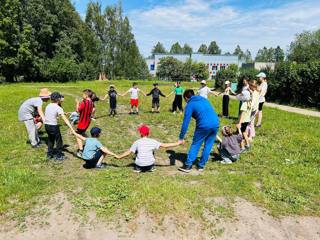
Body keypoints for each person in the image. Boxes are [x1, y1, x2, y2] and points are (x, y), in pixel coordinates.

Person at [178, 89, 220, 173]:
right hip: (215, 123)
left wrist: (181, 137)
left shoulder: (190, 104)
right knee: (208, 145)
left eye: (185, 100)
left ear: (186, 98)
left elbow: (185, 122)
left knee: (196, 144)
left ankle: (188, 165)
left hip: (204, 125)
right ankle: (201, 166)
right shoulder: (203, 99)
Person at [117, 124, 183, 173]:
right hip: (150, 164)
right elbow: (165, 145)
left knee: (137, 150)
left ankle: (138, 169)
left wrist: (119, 156)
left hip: (140, 164)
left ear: (140, 133)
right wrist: (178, 143)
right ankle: (150, 168)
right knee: (152, 150)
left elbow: (129, 152)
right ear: (148, 133)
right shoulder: (152, 141)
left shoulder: (137, 142)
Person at [44, 92, 74, 161]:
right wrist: (70, 126)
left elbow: (51, 114)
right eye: (60, 98)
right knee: (59, 141)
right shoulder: (58, 107)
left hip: (46, 125)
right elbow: (65, 119)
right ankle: (59, 156)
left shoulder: (48, 105)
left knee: (50, 139)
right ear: (58, 99)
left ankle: (49, 154)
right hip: (53, 126)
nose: (61, 99)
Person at [75, 89, 94, 157]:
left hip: (82, 122)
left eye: (83, 94)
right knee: (82, 133)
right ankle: (91, 142)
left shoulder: (84, 102)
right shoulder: (91, 102)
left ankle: (81, 151)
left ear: (86, 95)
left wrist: (77, 103)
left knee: (78, 135)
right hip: (87, 121)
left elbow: (78, 110)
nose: (82, 96)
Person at [236, 87, 252, 152]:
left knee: (240, 134)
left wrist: (239, 123)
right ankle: (248, 144)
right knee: (244, 132)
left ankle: (242, 147)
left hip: (243, 121)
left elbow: (242, 114)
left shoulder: (244, 104)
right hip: (247, 120)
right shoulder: (249, 102)